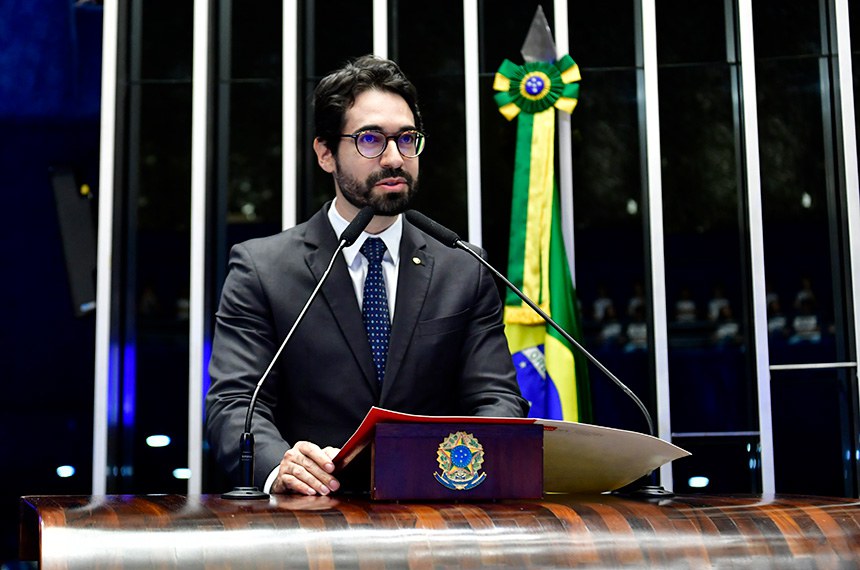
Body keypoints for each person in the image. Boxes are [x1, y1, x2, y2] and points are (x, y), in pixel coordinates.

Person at [205, 55, 528, 497]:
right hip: (309, 524)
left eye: (407, 139)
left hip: (436, 518)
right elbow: (235, 405)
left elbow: (498, 401)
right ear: (324, 153)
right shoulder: (262, 269)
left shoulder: (464, 267)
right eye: (371, 139)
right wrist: (279, 467)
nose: (395, 158)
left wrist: (462, 467)